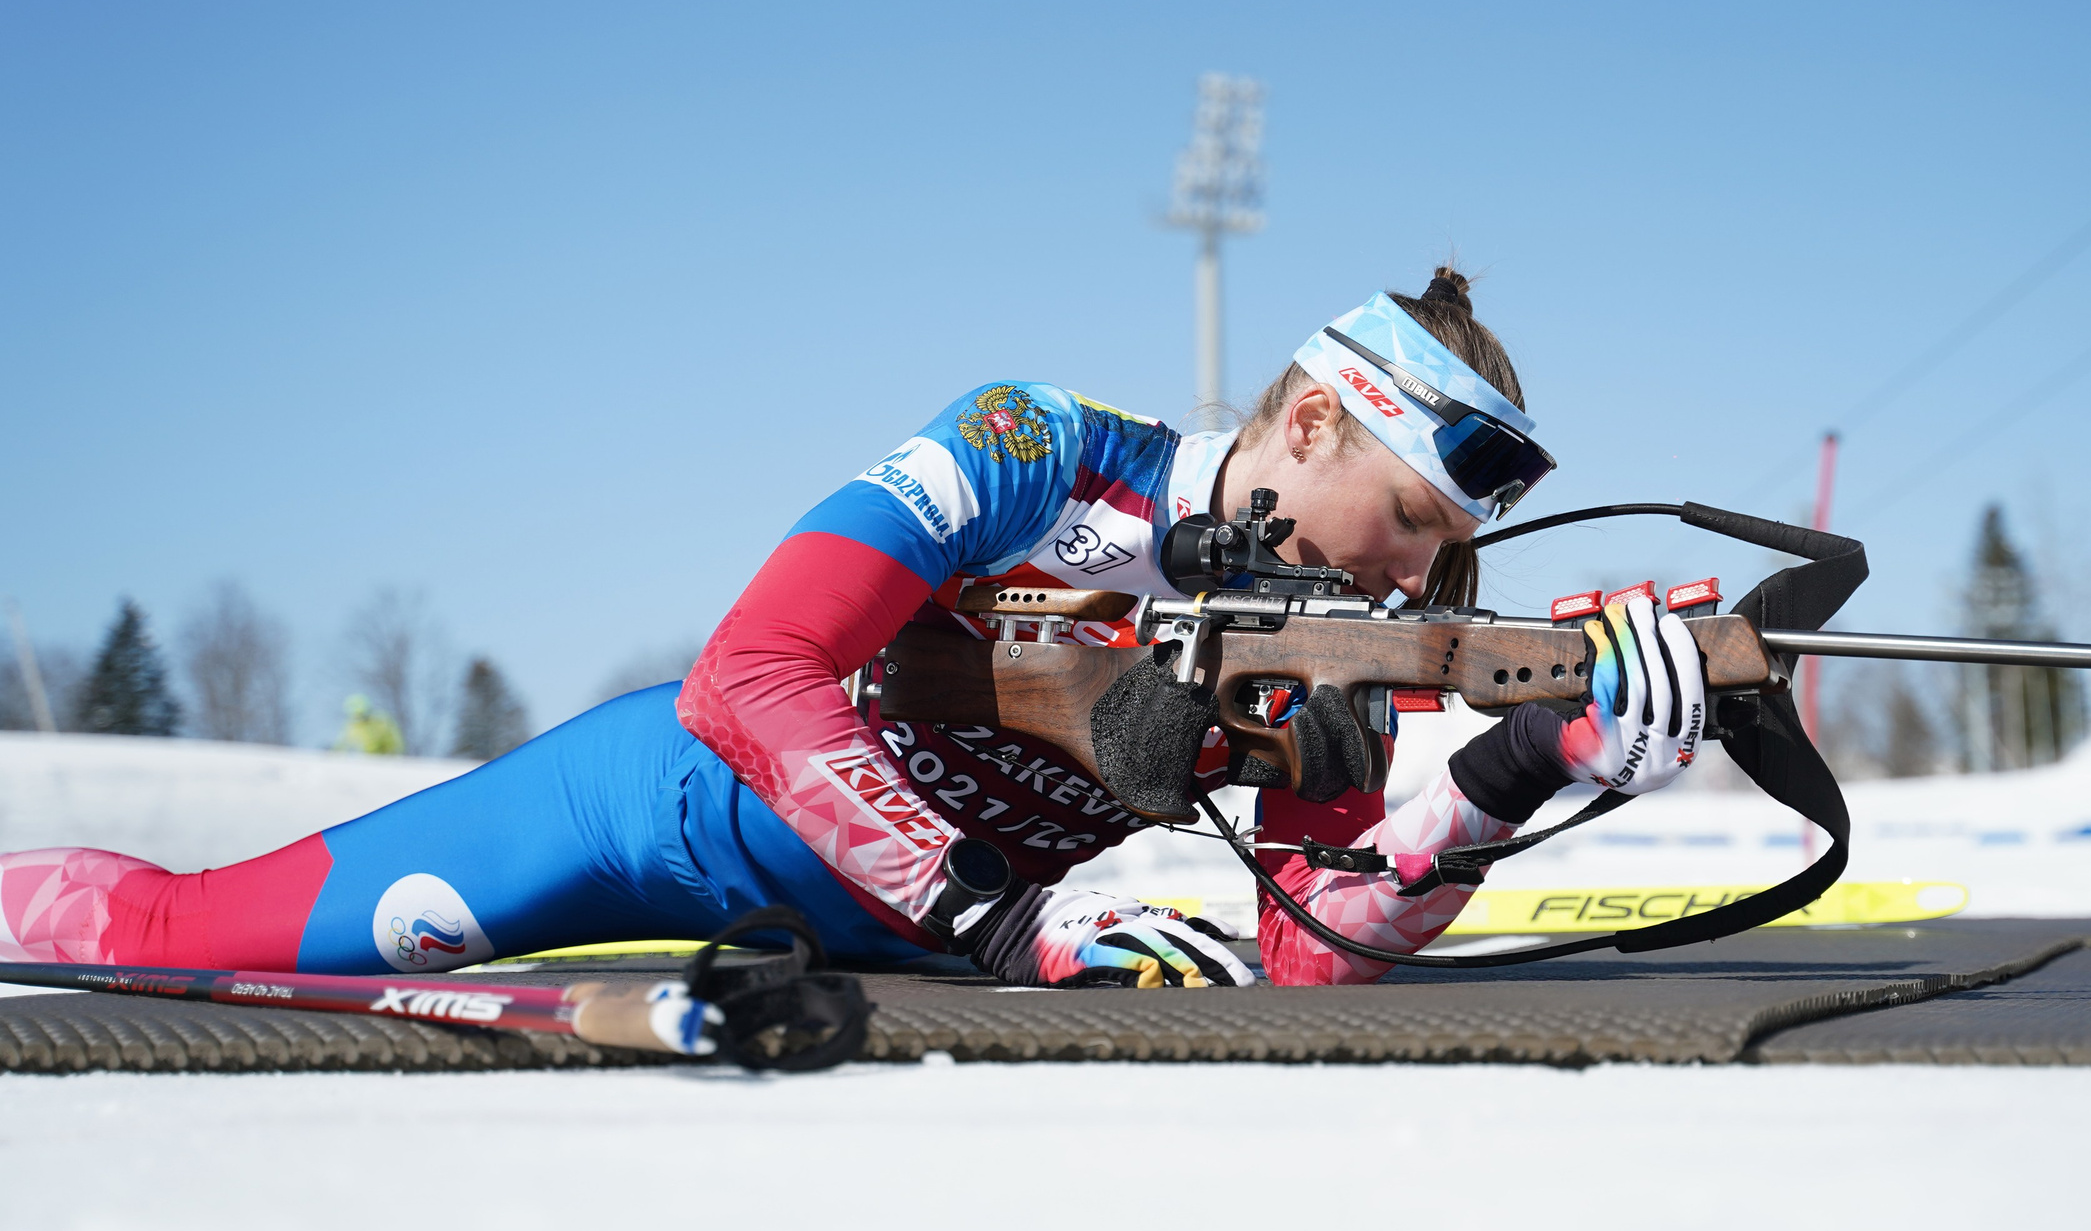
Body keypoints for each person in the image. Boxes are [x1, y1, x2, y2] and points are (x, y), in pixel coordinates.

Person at [0, 271, 1705, 988]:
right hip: (646, 820)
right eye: (1413, 517)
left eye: (1445, 549)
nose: (1415, 574)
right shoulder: (1038, 447)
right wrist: (1003, 916)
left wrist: (1516, 771)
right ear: (1315, 423)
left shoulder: (1331, 642)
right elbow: (756, 674)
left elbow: (1313, 962)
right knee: (170, 939)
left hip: (908, 941)